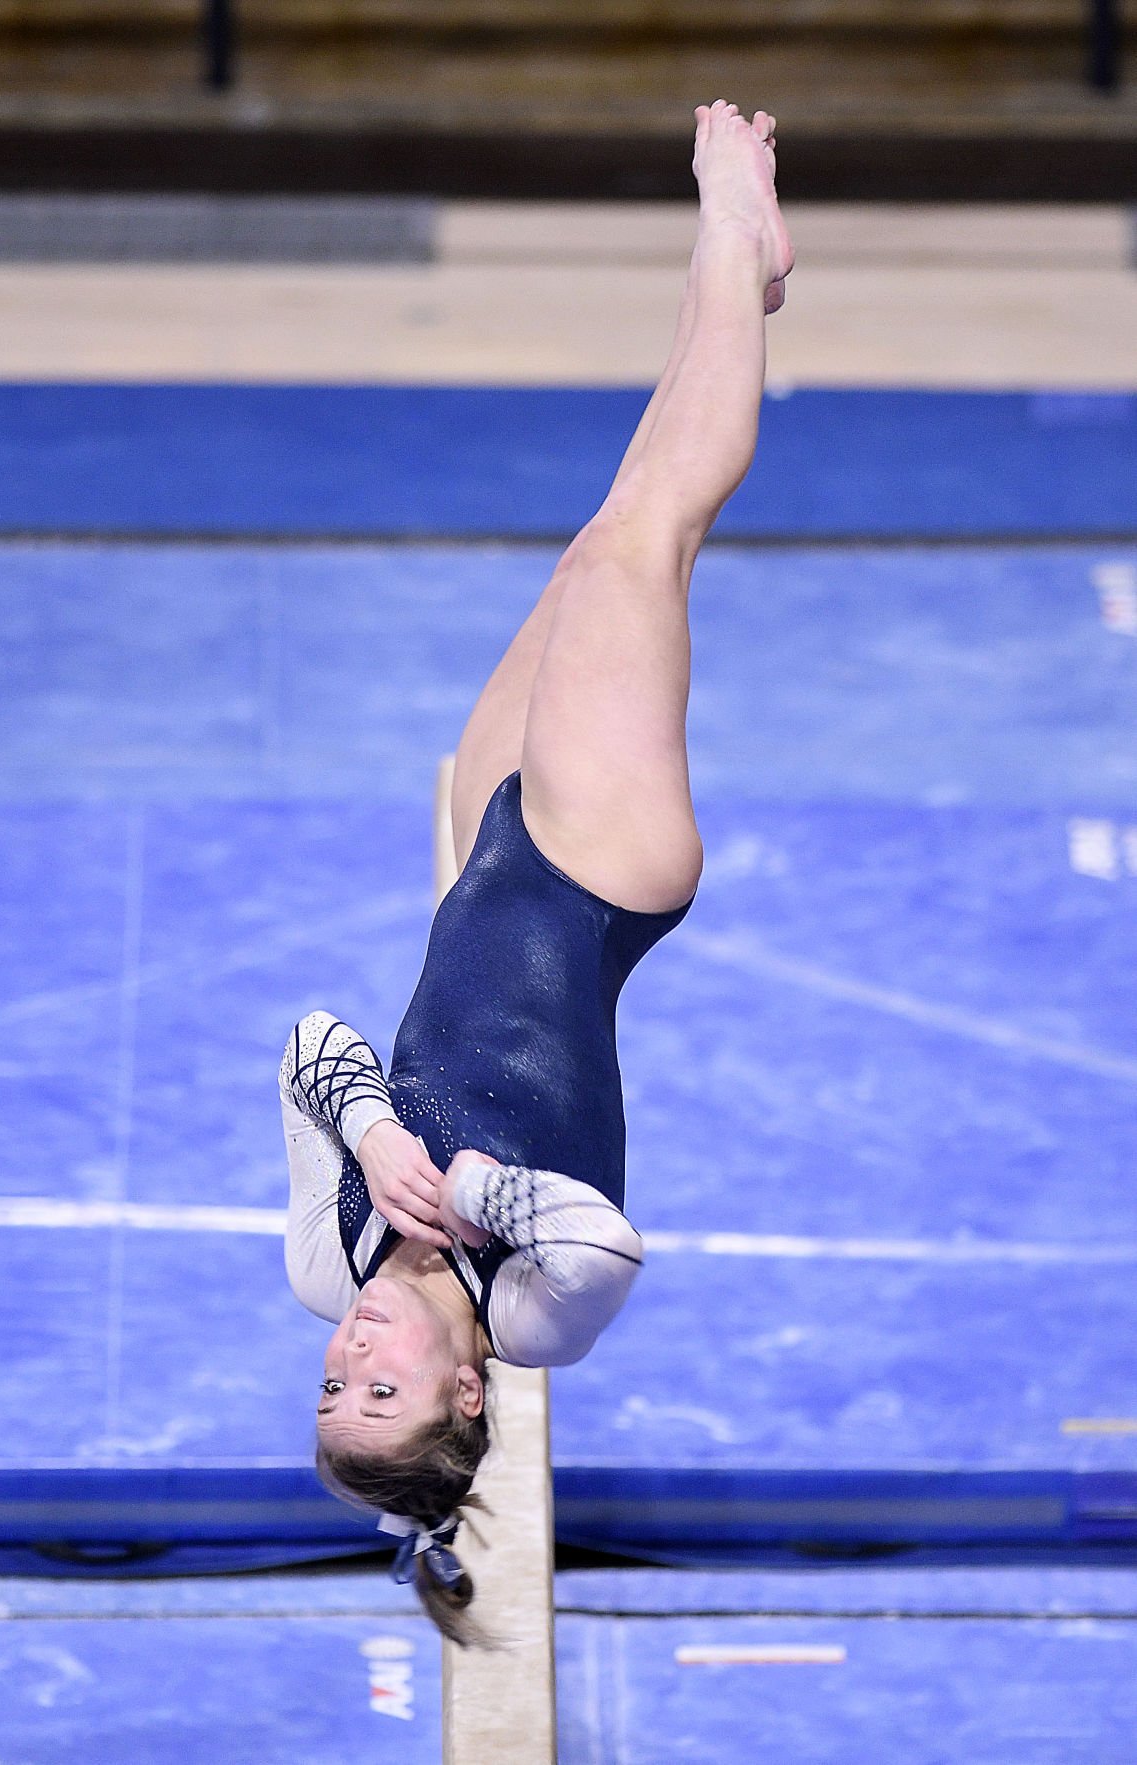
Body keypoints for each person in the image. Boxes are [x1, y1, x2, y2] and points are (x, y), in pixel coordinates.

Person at [280, 99, 794, 1644]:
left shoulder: (333, 1256)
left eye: (334, 1381)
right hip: (591, 880)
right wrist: (475, 1200)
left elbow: (308, 1045)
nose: (354, 1343)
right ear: (456, 1391)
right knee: (645, 536)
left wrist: (372, 1141)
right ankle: (730, 216)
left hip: (480, 859)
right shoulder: (534, 1319)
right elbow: (601, 1236)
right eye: (382, 1387)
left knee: (603, 550)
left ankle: (739, 287)